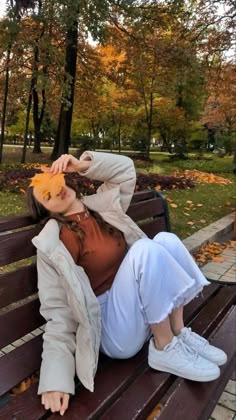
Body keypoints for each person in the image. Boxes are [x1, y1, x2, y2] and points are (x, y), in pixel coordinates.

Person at [27, 151, 227, 416]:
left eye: (52, 185)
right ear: (46, 210)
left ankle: (178, 332)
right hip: (112, 329)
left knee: (165, 240)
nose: (56, 193)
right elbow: (57, 313)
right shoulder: (55, 241)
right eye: (47, 197)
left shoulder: (101, 206)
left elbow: (124, 170)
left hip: (137, 306)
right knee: (145, 249)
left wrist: (82, 165)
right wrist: (55, 379)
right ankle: (163, 347)